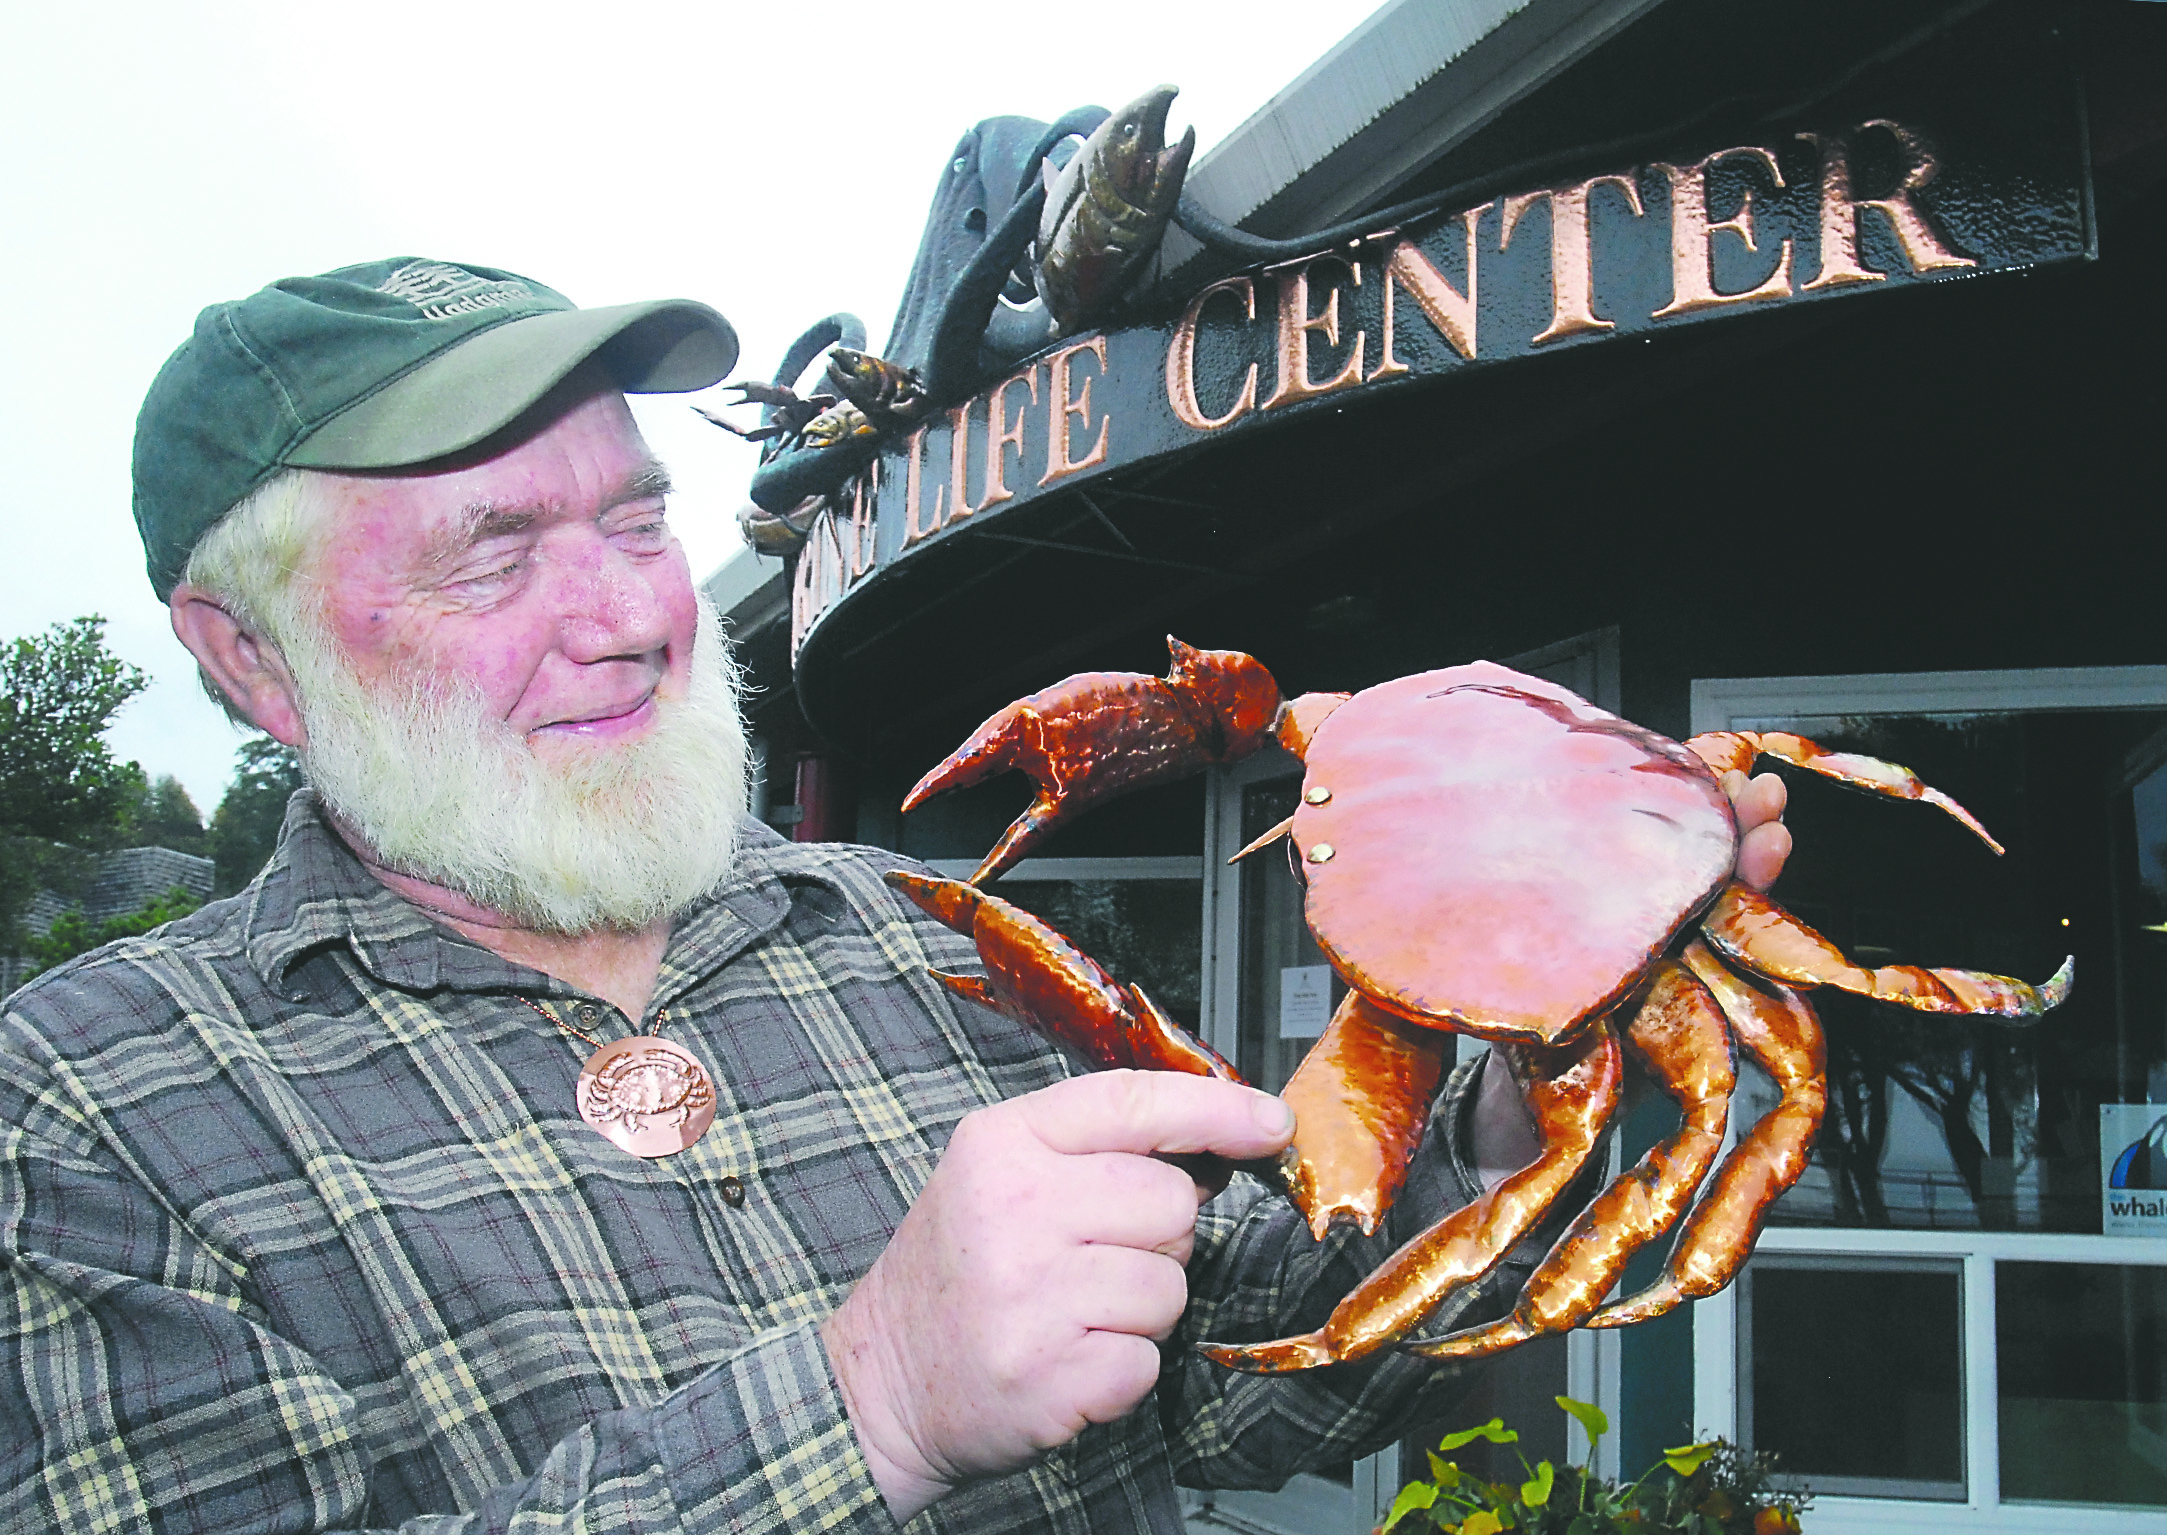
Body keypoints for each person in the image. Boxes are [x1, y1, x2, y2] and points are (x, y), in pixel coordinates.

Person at [0, 259, 1793, 1534]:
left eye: (634, 520)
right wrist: (874, 1400)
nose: (632, 611)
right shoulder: (86, 1115)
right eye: (495, 552)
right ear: (250, 657)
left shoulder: (914, 935)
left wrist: (1514, 1075)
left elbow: (1258, 1375)